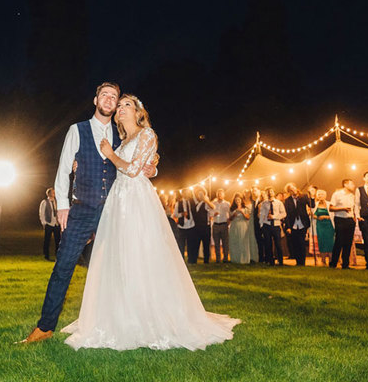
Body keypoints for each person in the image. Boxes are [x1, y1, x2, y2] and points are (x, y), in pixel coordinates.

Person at [61, 94, 240, 350]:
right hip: (118, 200)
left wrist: (113, 155)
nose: (121, 109)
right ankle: (120, 314)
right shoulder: (122, 139)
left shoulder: (147, 134)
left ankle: (150, 316)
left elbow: (133, 170)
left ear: (138, 113)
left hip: (136, 200)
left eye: (127, 105)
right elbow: (133, 166)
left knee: (142, 252)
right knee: (119, 256)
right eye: (119, 105)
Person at [24, 83, 157, 343]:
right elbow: (64, 168)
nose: (110, 100)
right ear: (96, 100)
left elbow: (143, 157)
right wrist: (62, 205)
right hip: (82, 208)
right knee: (63, 266)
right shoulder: (78, 130)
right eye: (105, 95)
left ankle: (124, 322)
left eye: (115, 97)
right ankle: (45, 327)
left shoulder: (124, 134)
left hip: (116, 210)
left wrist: (153, 167)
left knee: (121, 267)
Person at [329, 179, 356, 269]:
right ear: (345, 184)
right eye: (352, 184)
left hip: (350, 220)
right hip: (340, 219)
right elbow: (331, 208)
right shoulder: (337, 194)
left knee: (348, 243)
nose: (353, 186)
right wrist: (342, 208)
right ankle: (333, 263)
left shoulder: (352, 196)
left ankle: (345, 264)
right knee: (339, 241)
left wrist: (354, 218)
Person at [284, 183, 311, 266]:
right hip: (293, 224)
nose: (293, 190)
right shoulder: (287, 200)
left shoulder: (303, 197)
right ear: (289, 192)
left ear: (296, 188)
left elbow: (312, 205)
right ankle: (298, 261)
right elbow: (287, 215)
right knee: (295, 243)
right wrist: (288, 227)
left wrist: (312, 197)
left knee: (302, 242)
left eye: (293, 188)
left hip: (303, 223)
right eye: (290, 190)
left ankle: (302, 262)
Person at [259, 187, 286, 266]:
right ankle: (271, 261)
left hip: (276, 225)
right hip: (266, 225)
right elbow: (261, 215)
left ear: (274, 193)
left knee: (278, 244)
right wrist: (262, 224)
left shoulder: (278, 203)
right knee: (268, 244)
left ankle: (280, 261)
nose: (270, 193)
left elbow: (284, 213)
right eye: (268, 191)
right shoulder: (264, 203)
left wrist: (274, 216)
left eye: (271, 191)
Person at [191, 186, 215, 263]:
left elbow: (213, 207)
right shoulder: (196, 203)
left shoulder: (206, 203)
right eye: (199, 194)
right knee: (196, 244)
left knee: (206, 245)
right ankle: (194, 260)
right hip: (197, 227)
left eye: (201, 194)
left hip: (205, 226)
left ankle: (206, 260)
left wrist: (206, 200)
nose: (200, 195)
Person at [173, 188, 197, 260]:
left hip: (191, 225)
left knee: (191, 244)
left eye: (188, 193)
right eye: (185, 193)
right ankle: (181, 259)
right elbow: (175, 214)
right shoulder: (178, 203)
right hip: (182, 226)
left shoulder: (192, 202)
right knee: (181, 245)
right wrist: (182, 214)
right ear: (182, 194)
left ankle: (191, 259)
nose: (187, 194)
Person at [313, 189, 334, 266]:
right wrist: (318, 217)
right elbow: (312, 214)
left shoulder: (329, 204)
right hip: (320, 225)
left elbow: (334, 213)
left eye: (322, 194)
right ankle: (323, 260)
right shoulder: (315, 204)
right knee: (321, 241)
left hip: (329, 225)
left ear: (325, 195)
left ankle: (332, 259)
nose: (320, 196)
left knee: (331, 242)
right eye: (319, 194)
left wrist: (326, 216)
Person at [228, 193, 251, 263]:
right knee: (234, 242)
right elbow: (230, 219)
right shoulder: (232, 208)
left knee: (242, 242)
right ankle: (235, 259)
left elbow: (248, 217)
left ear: (241, 200)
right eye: (236, 200)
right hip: (234, 226)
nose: (237, 201)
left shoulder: (245, 208)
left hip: (243, 226)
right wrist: (234, 214)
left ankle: (244, 259)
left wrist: (242, 212)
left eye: (239, 199)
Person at [39, 188, 60, 261]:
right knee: (47, 240)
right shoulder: (44, 202)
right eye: (52, 192)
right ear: (49, 194)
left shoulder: (57, 202)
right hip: (49, 223)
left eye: (54, 192)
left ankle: (58, 255)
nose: (54, 194)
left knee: (58, 240)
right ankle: (46, 255)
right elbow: (41, 213)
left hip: (56, 224)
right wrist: (44, 223)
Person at [211, 188, 231, 262]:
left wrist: (229, 221)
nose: (220, 195)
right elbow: (210, 213)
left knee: (225, 243)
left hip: (224, 224)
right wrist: (214, 214)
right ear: (217, 195)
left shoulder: (227, 203)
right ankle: (218, 259)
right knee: (216, 243)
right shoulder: (213, 203)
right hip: (216, 224)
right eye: (218, 194)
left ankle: (225, 258)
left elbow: (230, 213)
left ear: (224, 195)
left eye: (221, 194)